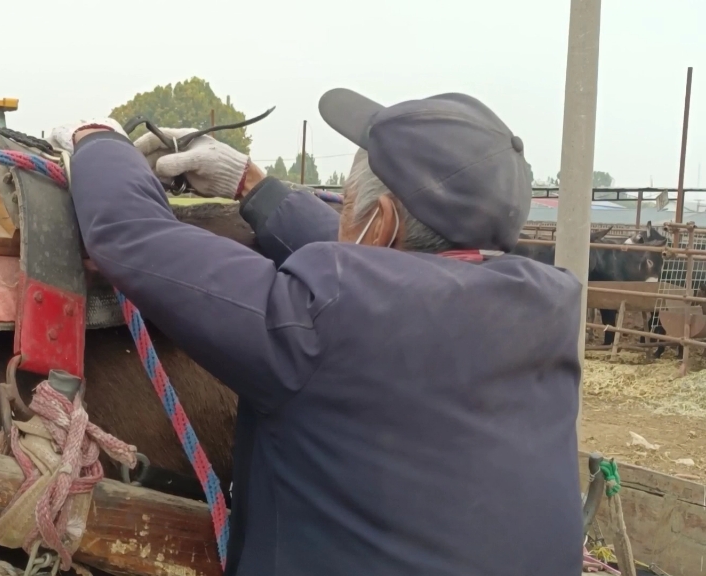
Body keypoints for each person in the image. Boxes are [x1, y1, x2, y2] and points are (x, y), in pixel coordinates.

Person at [50, 88, 583, 576]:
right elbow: (384, 268)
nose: (342, 219)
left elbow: (129, 233)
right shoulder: (548, 302)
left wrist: (97, 140)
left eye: (347, 205)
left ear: (384, 222)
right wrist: (251, 186)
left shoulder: (327, 319)